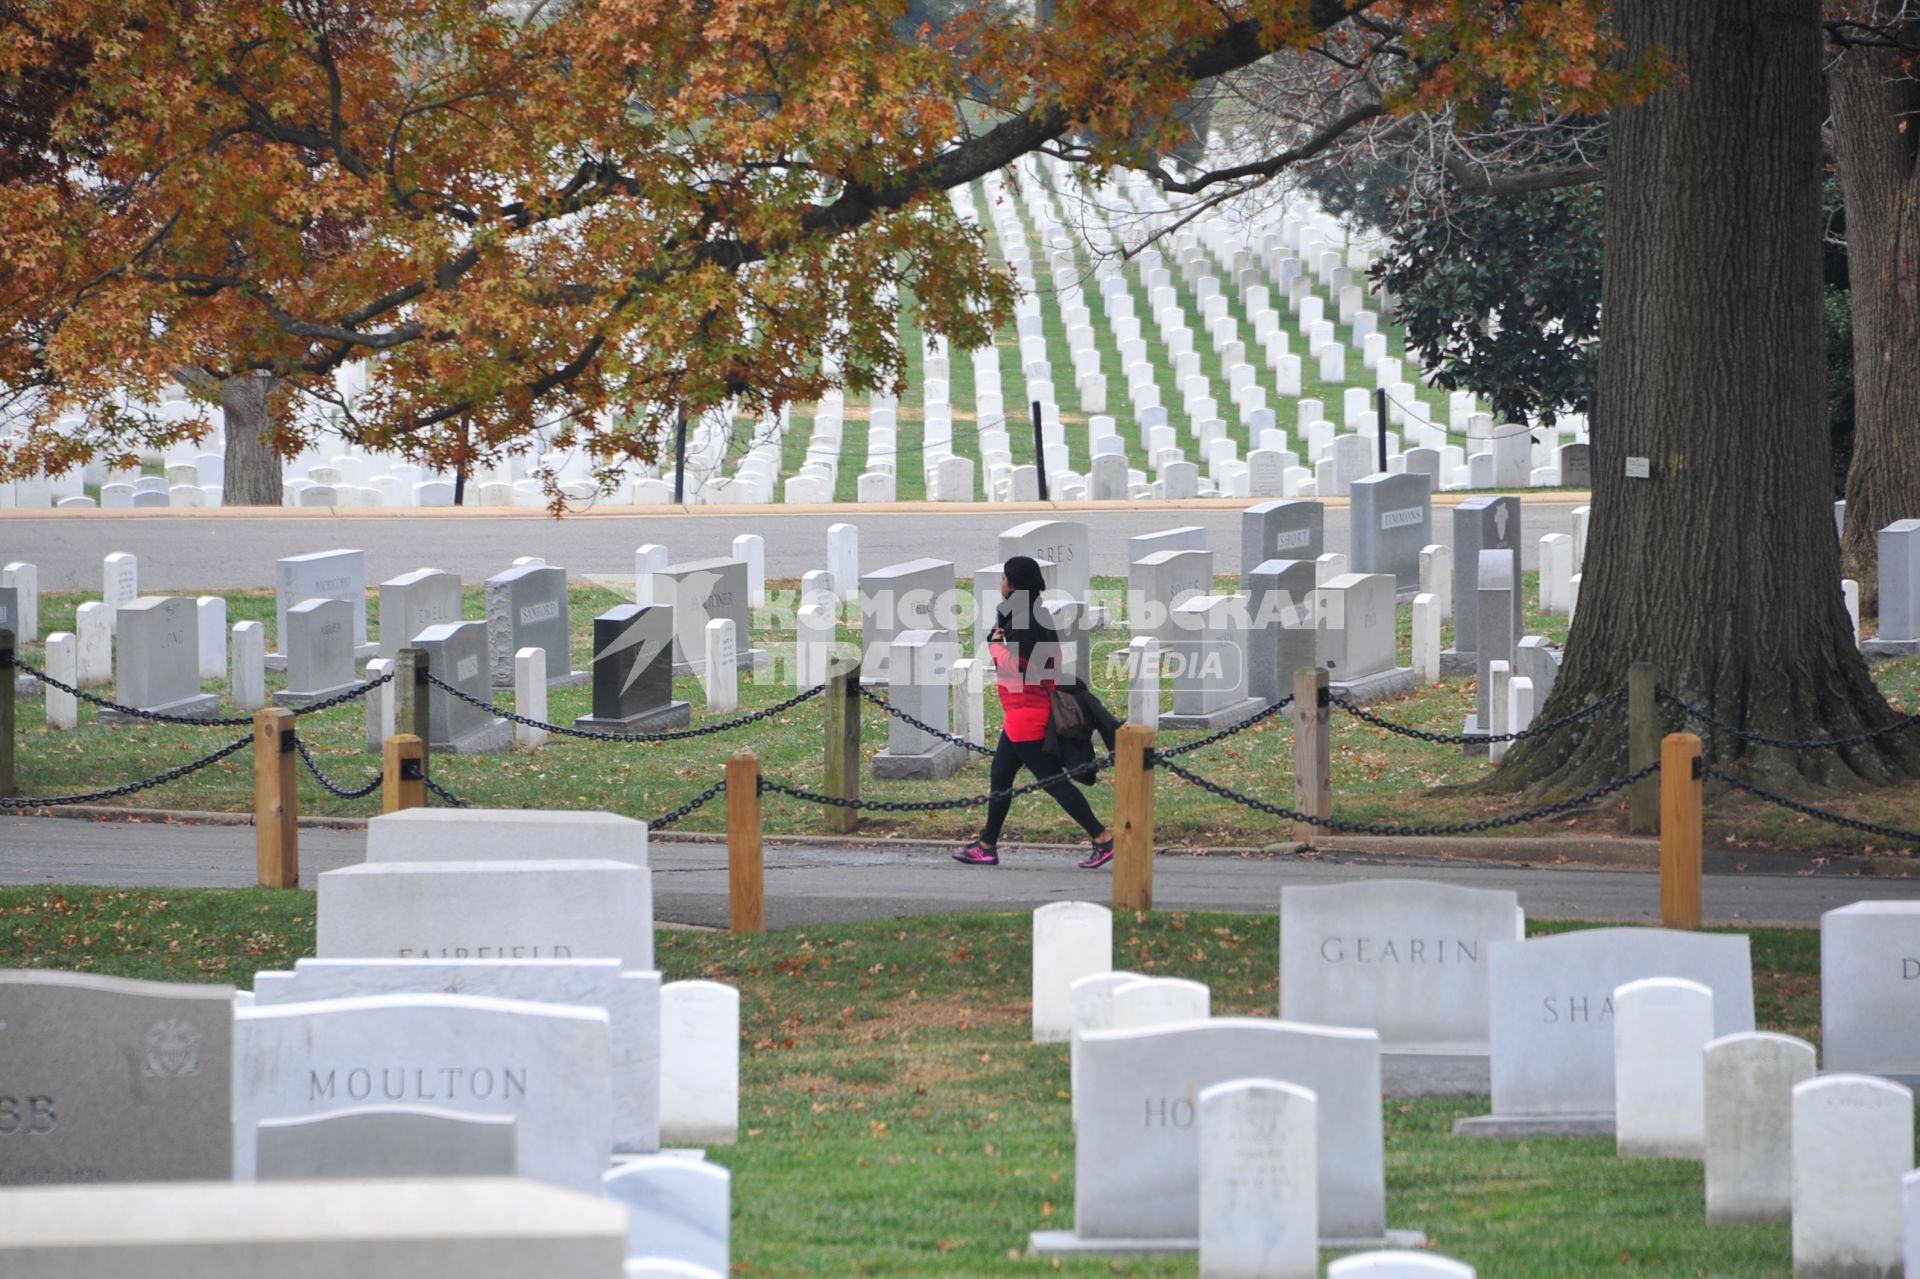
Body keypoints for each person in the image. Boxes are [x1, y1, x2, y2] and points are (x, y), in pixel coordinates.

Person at [953, 556, 1115, 869]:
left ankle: (1102, 838)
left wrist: (995, 646)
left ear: (1013, 583)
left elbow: (1022, 668)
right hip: (1019, 711)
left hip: (1029, 714)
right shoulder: (1026, 611)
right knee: (1000, 776)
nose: (1000, 583)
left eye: (1003, 578)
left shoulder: (1026, 619)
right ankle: (987, 845)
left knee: (1053, 781)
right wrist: (998, 638)